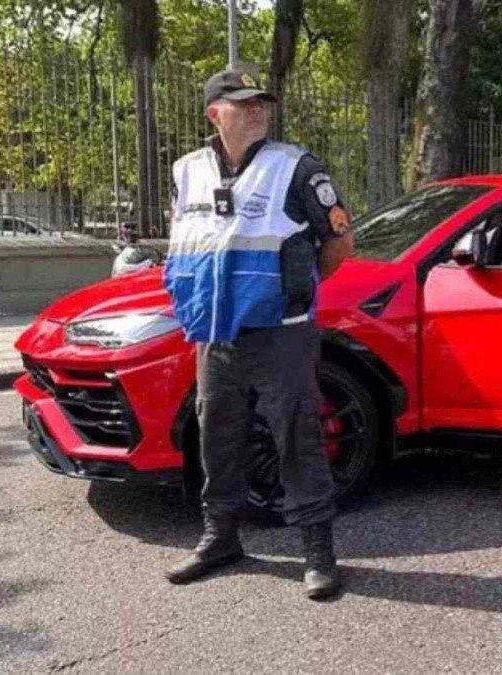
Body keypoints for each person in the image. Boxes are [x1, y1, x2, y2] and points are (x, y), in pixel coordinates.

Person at [162, 68, 354, 599]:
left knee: (296, 435)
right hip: (216, 331)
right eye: (243, 104)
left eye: (261, 103)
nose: (257, 111)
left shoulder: (295, 166)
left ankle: (318, 552)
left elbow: (339, 243)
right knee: (216, 435)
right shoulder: (186, 171)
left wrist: (294, 289)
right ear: (213, 113)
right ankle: (221, 537)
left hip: (281, 332)